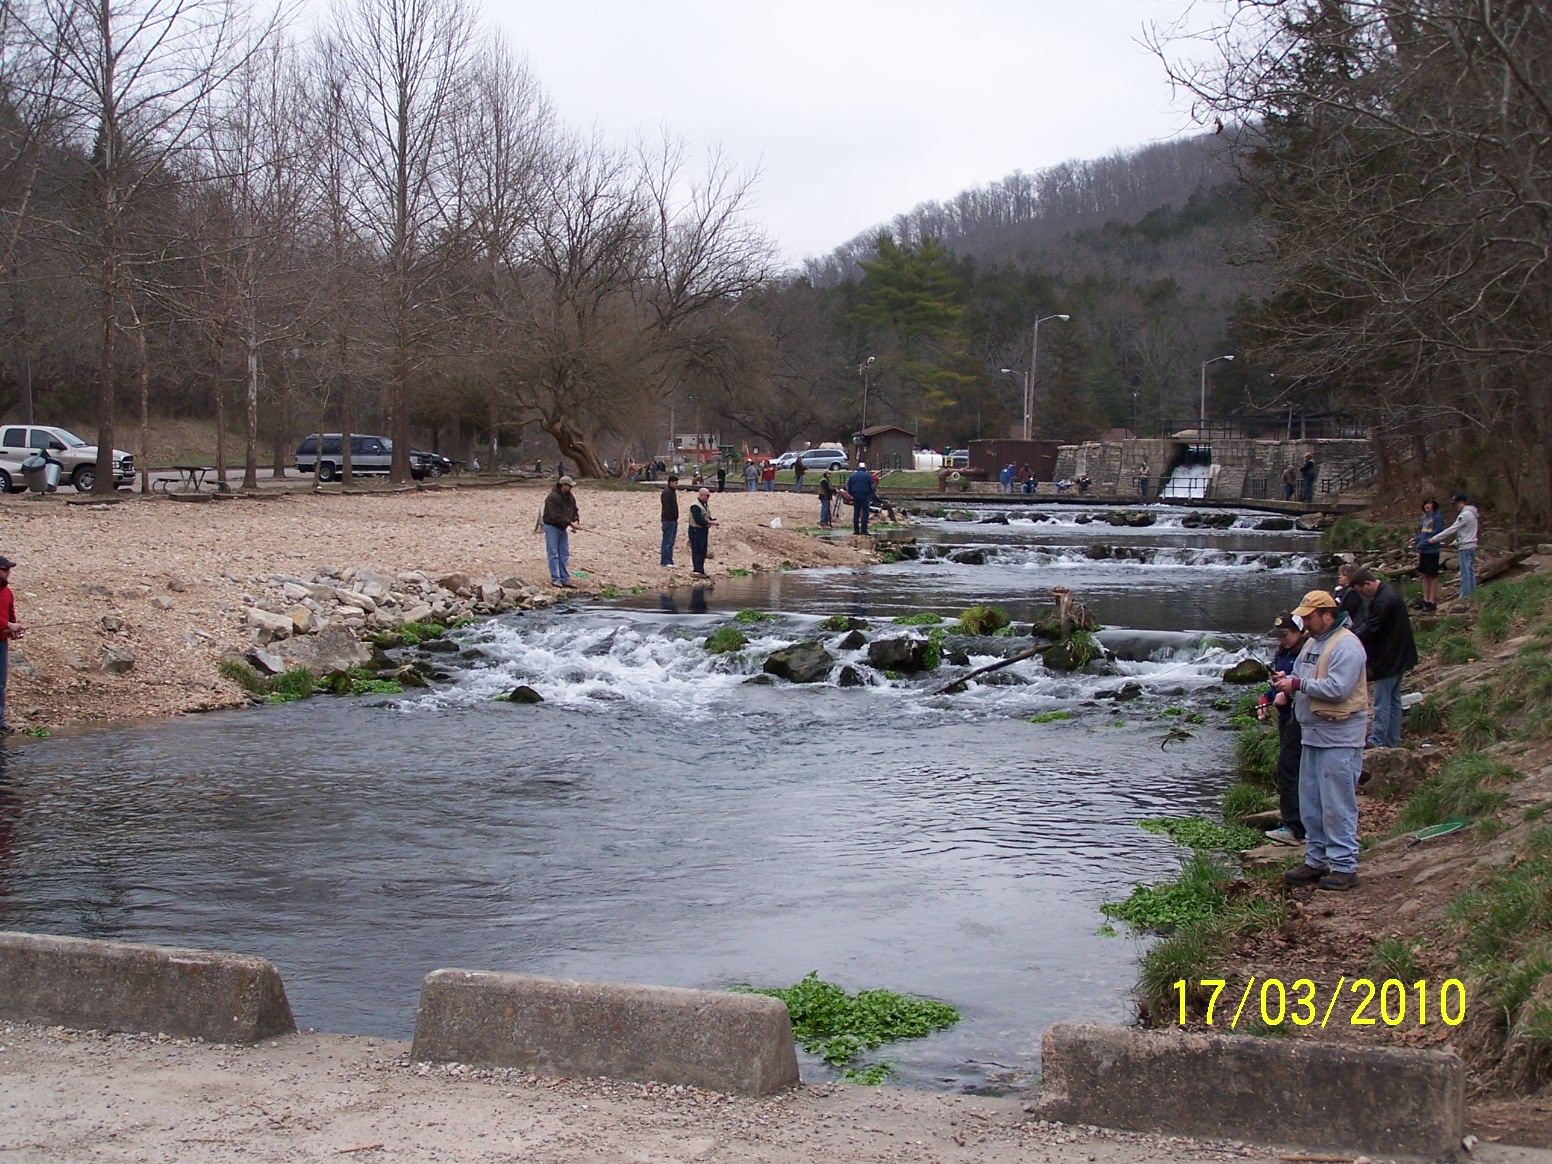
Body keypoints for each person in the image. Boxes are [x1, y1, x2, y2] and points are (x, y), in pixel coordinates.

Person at [1272, 590, 1369, 891]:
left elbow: (1338, 689)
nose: (1306, 623)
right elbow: (1300, 677)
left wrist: (1297, 684)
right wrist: (1285, 684)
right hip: (1311, 734)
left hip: (1339, 736)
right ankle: (1316, 860)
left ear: (1328, 615)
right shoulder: (1312, 643)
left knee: (1337, 803)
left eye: (1310, 618)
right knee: (1311, 803)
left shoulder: (1348, 646)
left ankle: (1344, 866)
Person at [1351, 567, 1418, 749]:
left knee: (1382, 701)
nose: (1362, 595)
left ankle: (1378, 739)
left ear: (1367, 584)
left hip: (1389, 659)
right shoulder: (1388, 593)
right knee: (1394, 700)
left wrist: (1349, 637)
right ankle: (1392, 739)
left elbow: (1372, 629)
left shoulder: (1383, 601)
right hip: (1400, 656)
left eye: (1360, 591)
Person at [1257, 611, 1307, 846]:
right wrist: (1265, 700)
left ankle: (1294, 827)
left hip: (1300, 719)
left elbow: (1301, 683)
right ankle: (1297, 823)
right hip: (1286, 719)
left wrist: (1287, 693)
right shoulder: (1283, 654)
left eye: (1285, 635)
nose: (1281, 640)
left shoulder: (1305, 655)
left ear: (1299, 632)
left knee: (1288, 769)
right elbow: (1276, 685)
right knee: (1291, 769)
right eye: (1279, 636)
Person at [1430, 493, 1480, 600]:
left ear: (1462, 502)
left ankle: (1464, 596)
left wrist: (1435, 538)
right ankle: (1473, 594)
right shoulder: (1473, 513)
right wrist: (1455, 542)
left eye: (1456, 503)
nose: (1455, 506)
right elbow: (1466, 532)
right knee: (1470, 571)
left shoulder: (1465, 514)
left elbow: (1453, 529)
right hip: (1471, 545)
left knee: (1465, 573)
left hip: (1465, 547)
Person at [541, 476, 581, 587]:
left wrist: (575, 520)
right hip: (551, 527)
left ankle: (565, 578)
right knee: (553, 553)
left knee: (564, 553)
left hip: (562, 527)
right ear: (563, 485)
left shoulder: (570, 497)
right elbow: (555, 515)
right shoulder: (552, 497)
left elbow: (574, 510)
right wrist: (570, 523)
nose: (571, 488)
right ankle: (555, 578)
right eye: (569, 486)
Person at [0, 555, 22, 735]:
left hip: (1, 641)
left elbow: (10, 614)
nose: (9, 572)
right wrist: (7, 625)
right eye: (5, 569)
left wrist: (14, 629)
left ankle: (0, 720)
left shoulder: (8, 592)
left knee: (0, 683)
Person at [1415, 498, 1444, 610]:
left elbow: (1437, 534)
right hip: (1423, 550)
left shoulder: (1437, 517)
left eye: (1429, 504)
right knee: (1425, 575)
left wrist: (1425, 543)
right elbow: (1423, 534)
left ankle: (1432, 601)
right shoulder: (1424, 518)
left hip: (1432, 550)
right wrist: (1416, 539)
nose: (1427, 506)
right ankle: (1425, 600)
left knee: (1432, 575)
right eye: (1425, 503)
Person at [687, 487, 717, 577]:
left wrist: (711, 520)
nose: (708, 497)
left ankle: (701, 569)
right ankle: (697, 569)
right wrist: (710, 522)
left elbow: (706, 515)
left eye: (709, 496)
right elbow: (698, 519)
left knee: (703, 550)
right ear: (701, 495)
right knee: (697, 550)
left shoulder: (704, 504)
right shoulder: (695, 506)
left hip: (703, 530)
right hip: (696, 530)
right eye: (707, 496)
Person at [1334, 562, 1368, 636]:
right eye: (1340, 574)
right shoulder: (1343, 591)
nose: (1340, 577)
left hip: (1355, 630)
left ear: (1351, 577)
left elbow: (1346, 614)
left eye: (1344, 575)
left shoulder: (1352, 593)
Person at [846, 461, 876, 535]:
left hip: (855, 495)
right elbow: (873, 486)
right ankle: (863, 530)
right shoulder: (868, 476)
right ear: (865, 468)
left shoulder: (852, 476)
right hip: (865, 495)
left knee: (856, 512)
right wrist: (871, 493)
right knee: (865, 512)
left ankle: (856, 530)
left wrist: (851, 494)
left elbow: (848, 487)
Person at [659, 472, 680, 568]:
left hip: (673, 520)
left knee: (671, 542)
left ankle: (670, 560)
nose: (677, 485)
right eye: (675, 483)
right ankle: (665, 561)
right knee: (667, 542)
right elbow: (667, 508)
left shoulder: (672, 492)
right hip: (668, 520)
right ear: (670, 482)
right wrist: (671, 518)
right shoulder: (667, 493)